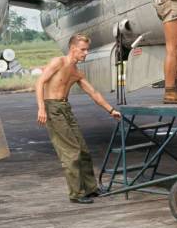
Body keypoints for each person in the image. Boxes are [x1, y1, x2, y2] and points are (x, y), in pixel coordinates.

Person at [36, 33, 122, 204]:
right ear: (73, 49)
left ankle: (91, 188)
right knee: (71, 152)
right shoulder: (58, 62)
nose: (85, 53)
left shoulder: (77, 72)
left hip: (65, 108)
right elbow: (40, 83)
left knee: (83, 150)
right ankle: (77, 193)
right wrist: (41, 108)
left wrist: (110, 110)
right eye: (82, 50)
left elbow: (94, 93)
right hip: (52, 108)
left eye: (86, 50)